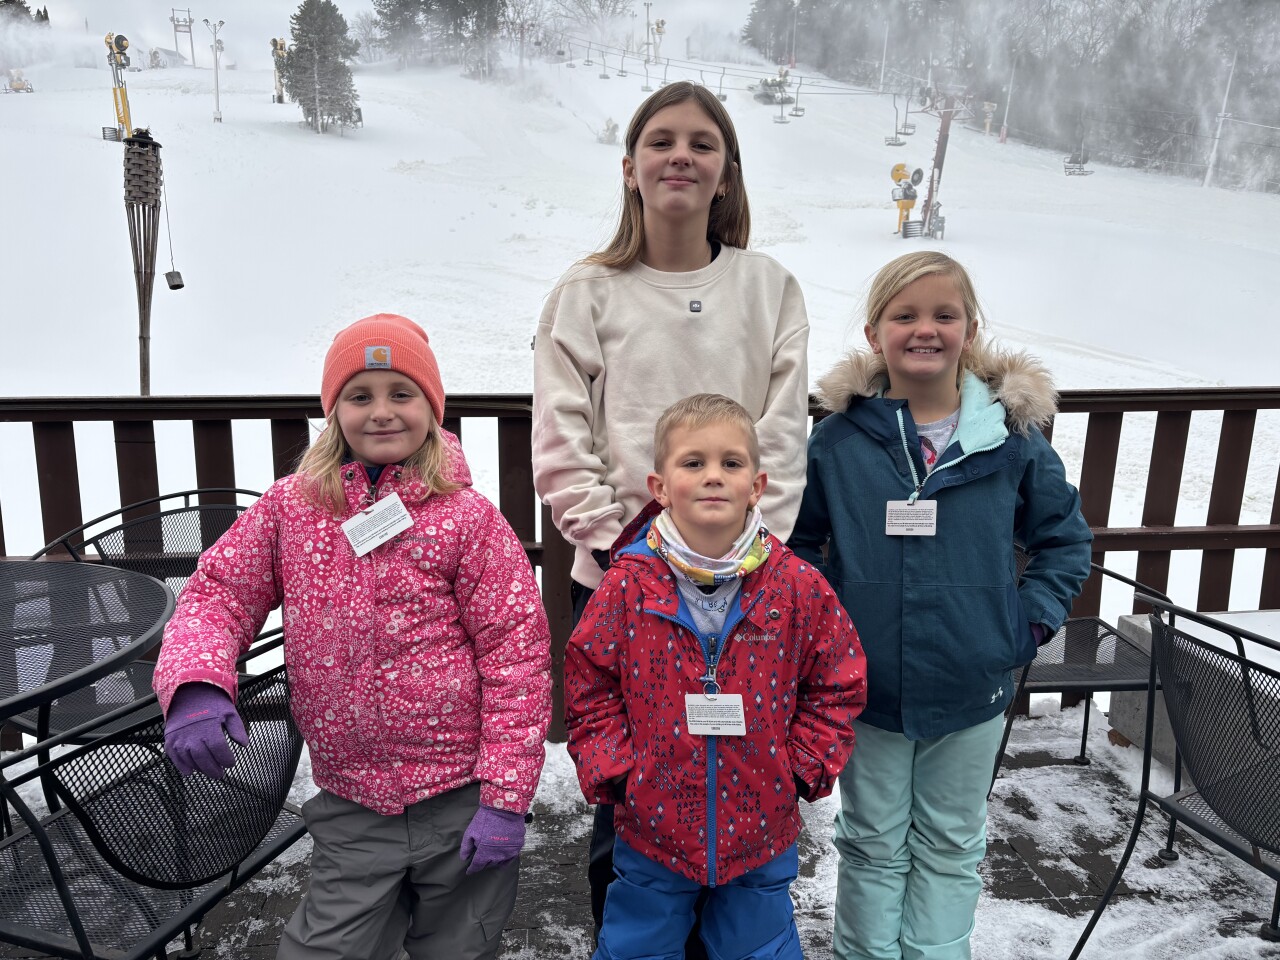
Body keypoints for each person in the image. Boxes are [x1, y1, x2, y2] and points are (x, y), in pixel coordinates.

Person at [154, 313, 552, 960]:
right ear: (333, 410)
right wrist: (197, 681)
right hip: (352, 800)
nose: (382, 412)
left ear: (432, 406)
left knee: (459, 946)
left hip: (463, 802)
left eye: (402, 393)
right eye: (359, 396)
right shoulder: (291, 508)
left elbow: (517, 660)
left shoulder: (468, 519)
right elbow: (219, 594)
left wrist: (506, 799)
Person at [531, 80, 812, 941]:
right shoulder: (588, 291)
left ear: (726, 171)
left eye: (701, 142)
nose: (680, 155)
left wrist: (752, 555)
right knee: (633, 788)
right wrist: (623, 545)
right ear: (630, 168)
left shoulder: (768, 287)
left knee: (734, 780)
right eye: (660, 141)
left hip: (747, 591)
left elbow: (785, 431)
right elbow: (560, 429)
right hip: (622, 578)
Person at [789, 252, 1093, 960]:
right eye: (906, 315)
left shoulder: (1012, 441)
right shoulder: (839, 441)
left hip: (973, 683)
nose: (925, 329)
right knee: (870, 841)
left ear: (970, 327)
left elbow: (1064, 540)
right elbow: (802, 549)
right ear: (874, 332)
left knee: (952, 843)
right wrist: (833, 636)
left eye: (943, 315)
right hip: (870, 690)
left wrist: (1024, 624)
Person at [565, 394, 866, 960]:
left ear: (757, 485)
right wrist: (616, 772)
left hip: (761, 826)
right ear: (659, 486)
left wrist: (800, 769)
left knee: (759, 948)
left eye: (731, 463)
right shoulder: (628, 586)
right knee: (638, 948)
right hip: (651, 826)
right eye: (693, 463)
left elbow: (837, 681)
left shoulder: (796, 588)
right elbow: (590, 682)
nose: (712, 477)